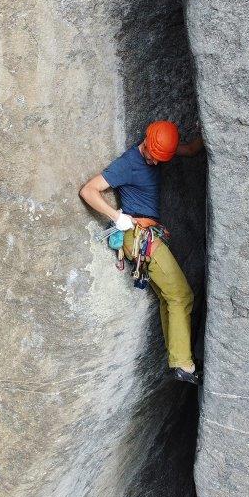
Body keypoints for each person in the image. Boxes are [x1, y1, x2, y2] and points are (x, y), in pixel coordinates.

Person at [80, 120, 203, 384]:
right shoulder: (128, 163)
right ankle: (183, 363)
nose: (156, 163)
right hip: (138, 235)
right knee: (181, 295)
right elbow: (88, 191)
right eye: (153, 156)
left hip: (148, 235)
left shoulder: (158, 152)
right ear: (146, 141)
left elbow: (191, 150)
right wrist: (117, 216)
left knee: (168, 297)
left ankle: (179, 359)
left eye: (161, 159)